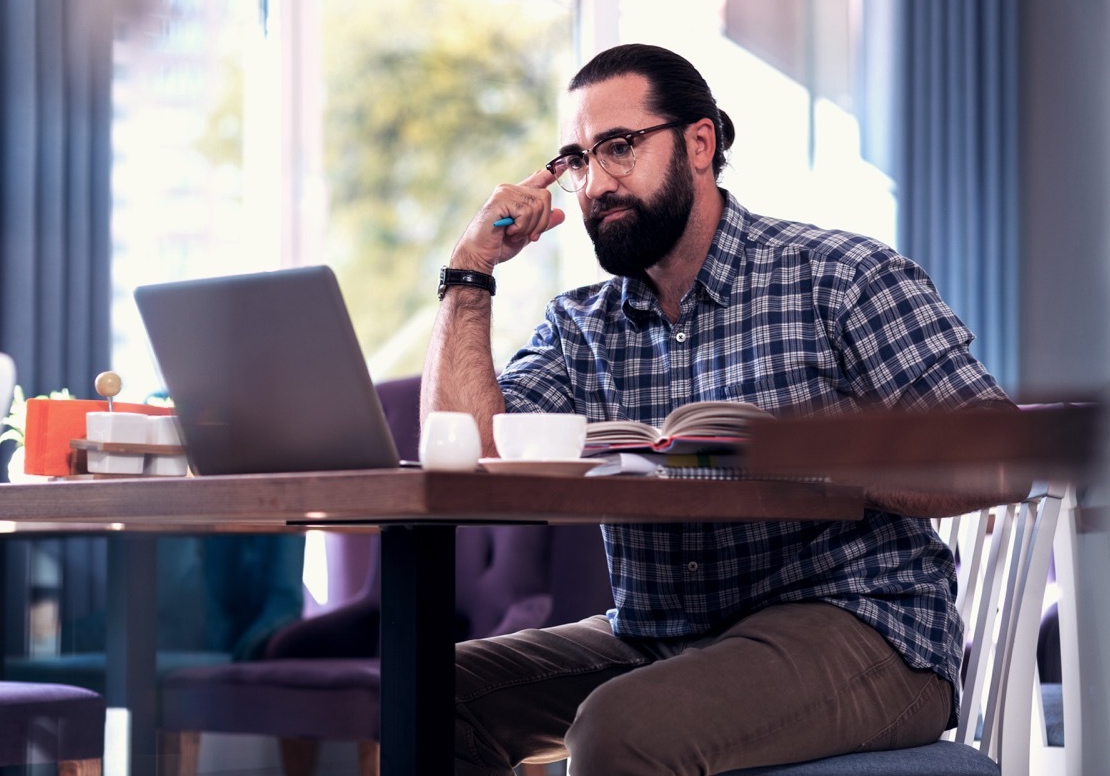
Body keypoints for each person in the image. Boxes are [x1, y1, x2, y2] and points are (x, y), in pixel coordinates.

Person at [422, 43, 1023, 775]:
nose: (595, 184)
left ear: (699, 143)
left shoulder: (842, 276)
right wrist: (469, 271)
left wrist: (815, 456)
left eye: (618, 148)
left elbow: (1000, 459)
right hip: (661, 634)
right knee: (428, 695)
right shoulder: (581, 324)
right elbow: (470, 450)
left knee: (622, 728)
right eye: (578, 160)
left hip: (865, 630)